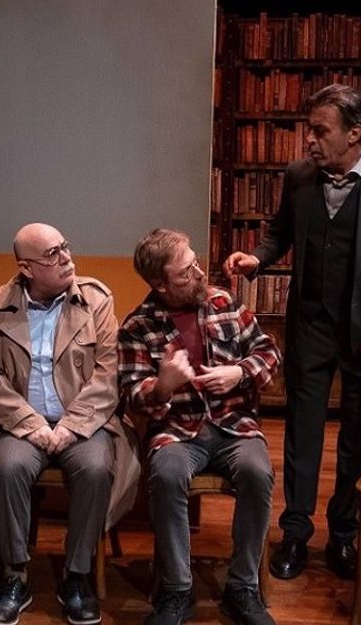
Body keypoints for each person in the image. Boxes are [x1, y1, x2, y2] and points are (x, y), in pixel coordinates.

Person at [224, 83, 361, 580]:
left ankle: (343, 533)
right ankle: (295, 533)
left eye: (320, 131)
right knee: (301, 433)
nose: (310, 140)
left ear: (354, 134)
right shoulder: (299, 176)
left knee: (355, 437)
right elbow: (279, 234)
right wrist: (256, 259)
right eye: (310, 130)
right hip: (311, 325)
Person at [0, 223, 139, 625]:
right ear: (26, 268)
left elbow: (108, 374)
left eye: (65, 247)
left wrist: (70, 426)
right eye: (52, 254)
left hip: (83, 424)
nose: (66, 258)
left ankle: (76, 575)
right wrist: (31, 425)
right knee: (8, 467)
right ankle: (15, 575)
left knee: (95, 468)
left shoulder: (95, 300)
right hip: (23, 425)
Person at [120, 228, 279, 625]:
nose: (200, 274)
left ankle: (242, 587)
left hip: (234, 424)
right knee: (166, 474)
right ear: (160, 283)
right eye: (187, 272)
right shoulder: (138, 325)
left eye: (196, 264)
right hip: (176, 430)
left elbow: (268, 351)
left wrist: (239, 373)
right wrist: (162, 387)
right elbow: (130, 395)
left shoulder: (224, 302)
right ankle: (177, 589)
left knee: (258, 472)